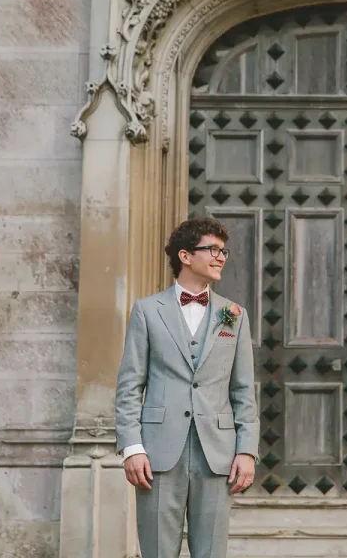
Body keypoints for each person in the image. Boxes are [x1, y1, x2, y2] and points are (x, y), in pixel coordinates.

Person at [115, 217, 259, 558]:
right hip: (159, 453)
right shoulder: (148, 311)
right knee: (157, 550)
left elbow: (243, 391)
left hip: (217, 452)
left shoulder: (234, 315)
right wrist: (132, 447)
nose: (221, 257)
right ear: (185, 255)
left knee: (211, 551)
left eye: (223, 251)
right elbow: (129, 386)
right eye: (212, 249)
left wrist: (246, 450)